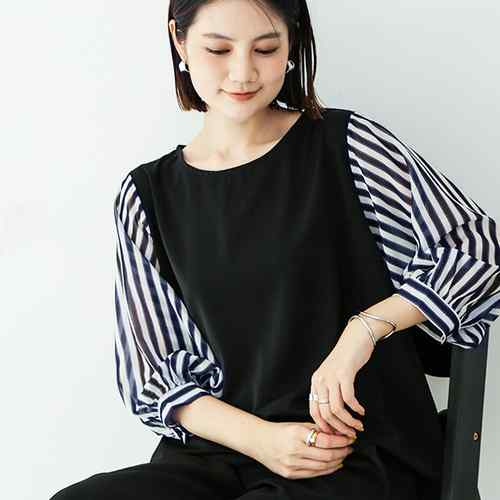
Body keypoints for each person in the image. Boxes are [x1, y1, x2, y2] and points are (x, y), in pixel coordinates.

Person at [50, 0, 500, 499]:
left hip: (354, 450)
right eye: (218, 49)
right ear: (180, 41)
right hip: (222, 453)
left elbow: (477, 251)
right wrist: (262, 440)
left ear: (292, 45)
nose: (243, 72)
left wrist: (365, 330)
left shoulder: (347, 146)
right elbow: (154, 374)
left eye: (265, 49)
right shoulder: (147, 197)